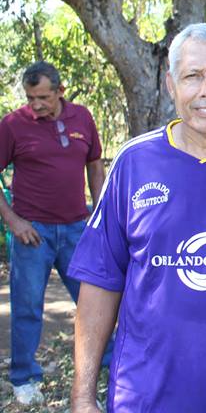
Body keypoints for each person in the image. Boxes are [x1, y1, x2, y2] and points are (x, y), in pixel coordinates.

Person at [68, 24, 206, 412]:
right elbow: (101, 282)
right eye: (193, 76)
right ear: (171, 85)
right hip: (145, 394)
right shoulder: (134, 163)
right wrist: (83, 396)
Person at [0, 62, 106, 405]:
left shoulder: (82, 117)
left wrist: (99, 212)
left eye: (43, 97)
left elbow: (94, 163)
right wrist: (14, 221)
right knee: (28, 306)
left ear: (60, 91)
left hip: (78, 228)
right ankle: (24, 377)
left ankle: (108, 359)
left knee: (94, 300)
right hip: (33, 233)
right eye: (31, 98)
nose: (36, 104)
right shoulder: (13, 125)